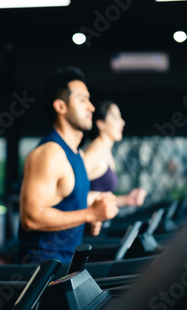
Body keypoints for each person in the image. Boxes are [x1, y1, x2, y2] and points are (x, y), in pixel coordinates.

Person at [16, 67, 119, 264]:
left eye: (89, 100)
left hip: (65, 267)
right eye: (82, 100)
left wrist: (86, 221)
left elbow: (66, 209)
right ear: (61, 107)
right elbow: (31, 217)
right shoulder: (50, 153)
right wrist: (89, 214)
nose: (91, 107)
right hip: (39, 273)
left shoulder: (77, 154)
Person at [83, 100, 146, 209]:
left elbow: (101, 197)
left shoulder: (105, 150)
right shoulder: (96, 151)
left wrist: (127, 199)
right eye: (115, 117)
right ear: (101, 124)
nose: (122, 122)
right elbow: (71, 194)